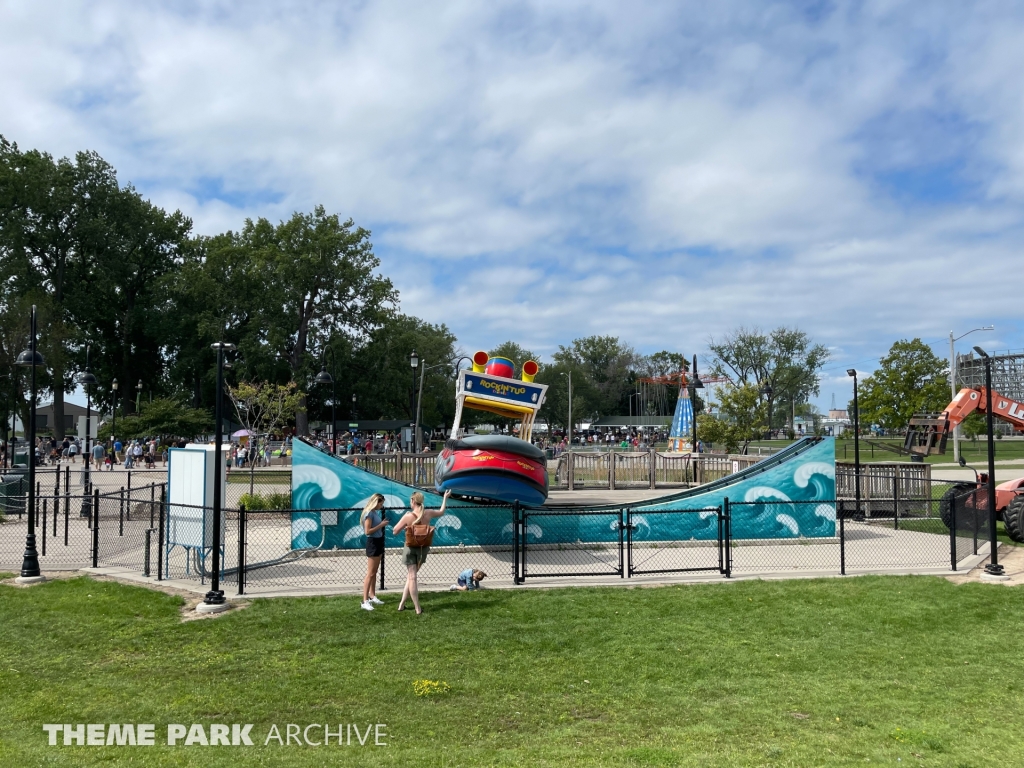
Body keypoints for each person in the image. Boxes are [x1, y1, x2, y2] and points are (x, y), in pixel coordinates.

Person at [392, 489, 450, 614]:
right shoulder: (428, 513)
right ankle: (401, 604)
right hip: (423, 549)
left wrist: (406, 525)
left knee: (412, 577)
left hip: (410, 548)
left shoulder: (408, 516)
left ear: (413, 501)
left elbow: (395, 531)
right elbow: (441, 512)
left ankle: (417, 608)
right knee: (411, 577)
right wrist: (445, 497)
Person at [359, 493, 389, 611]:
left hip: (378, 541)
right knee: (370, 573)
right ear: (376, 502)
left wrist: (381, 524)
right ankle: (364, 601)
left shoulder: (374, 512)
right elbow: (367, 531)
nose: (382, 506)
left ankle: (372, 596)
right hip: (372, 543)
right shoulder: (369, 513)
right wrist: (381, 525)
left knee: (374, 572)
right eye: (381, 504)